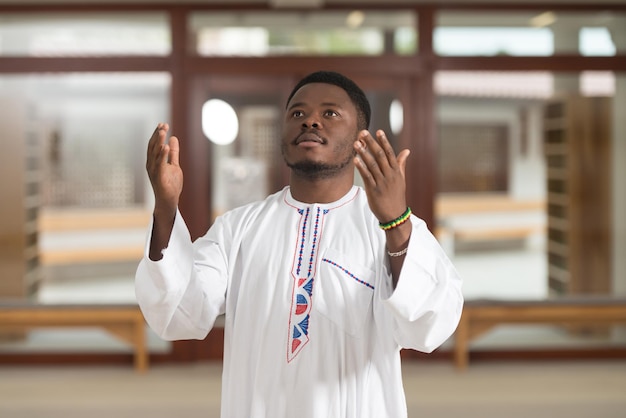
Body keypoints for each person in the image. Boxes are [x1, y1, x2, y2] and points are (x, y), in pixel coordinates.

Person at [135, 70, 463, 418]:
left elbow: (431, 325)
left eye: (330, 113)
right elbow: (181, 311)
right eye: (298, 114)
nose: (311, 122)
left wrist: (395, 223)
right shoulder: (238, 228)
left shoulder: (389, 226)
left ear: (360, 139)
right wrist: (166, 208)